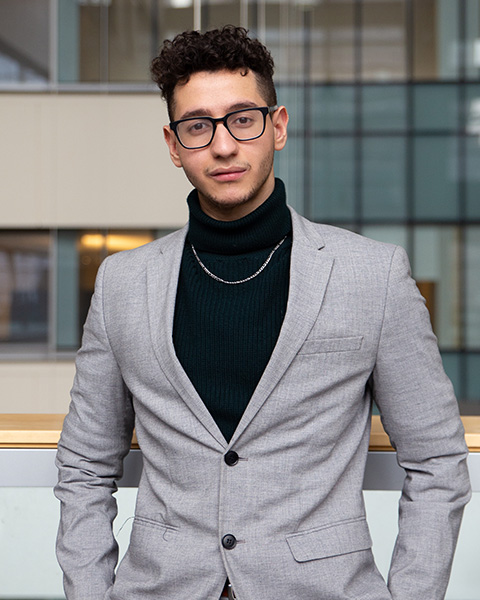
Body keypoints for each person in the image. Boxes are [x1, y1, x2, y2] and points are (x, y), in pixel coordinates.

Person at [54, 25, 471, 600]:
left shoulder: (372, 275)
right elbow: (84, 466)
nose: (223, 145)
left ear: (277, 127)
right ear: (174, 146)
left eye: (242, 119)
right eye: (197, 126)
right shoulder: (123, 282)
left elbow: (436, 461)